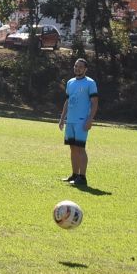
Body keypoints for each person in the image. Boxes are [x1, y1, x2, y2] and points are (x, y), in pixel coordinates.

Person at [58, 58, 98, 187]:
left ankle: (83, 177)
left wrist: (90, 119)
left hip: (82, 121)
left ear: (85, 69)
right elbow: (68, 101)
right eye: (76, 66)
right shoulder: (70, 82)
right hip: (70, 120)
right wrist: (62, 118)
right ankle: (74, 175)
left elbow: (94, 103)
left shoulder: (90, 83)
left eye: (80, 67)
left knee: (80, 148)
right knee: (72, 148)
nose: (77, 68)